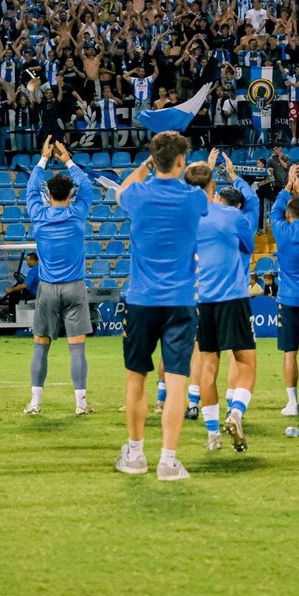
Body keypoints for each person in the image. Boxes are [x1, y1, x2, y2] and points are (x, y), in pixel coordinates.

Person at [113, 131, 208, 481]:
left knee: (136, 376)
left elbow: (122, 190)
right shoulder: (194, 198)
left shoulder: (137, 193)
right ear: (181, 162)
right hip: (180, 301)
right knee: (178, 381)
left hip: (141, 299)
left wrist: (142, 169)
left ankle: (136, 454)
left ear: (155, 160)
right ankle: (168, 460)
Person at [184, 149, 258, 452]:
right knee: (246, 362)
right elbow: (248, 246)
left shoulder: (186, 220)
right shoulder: (233, 215)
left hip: (203, 300)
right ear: (213, 186)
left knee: (207, 367)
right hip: (234, 297)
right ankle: (236, 412)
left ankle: (213, 434)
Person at [23, 137, 96, 417]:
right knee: (77, 349)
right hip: (75, 288)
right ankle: (80, 405)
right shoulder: (78, 214)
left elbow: (31, 188)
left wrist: (43, 159)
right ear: (70, 193)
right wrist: (67, 160)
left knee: (41, 347)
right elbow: (87, 186)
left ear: (48, 194)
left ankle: (35, 403)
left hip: (48, 288)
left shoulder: (39, 215)